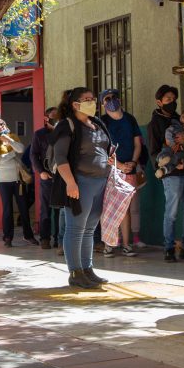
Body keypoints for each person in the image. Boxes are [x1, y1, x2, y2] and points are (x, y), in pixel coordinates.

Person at [52, 87, 112, 289]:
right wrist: (70, 182)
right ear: (74, 104)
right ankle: (75, 272)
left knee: (89, 229)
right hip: (81, 183)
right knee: (76, 228)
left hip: (101, 182)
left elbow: (105, 148)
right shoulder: (65, 125)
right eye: (87, 99)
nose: (92, 102)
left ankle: (87, 269)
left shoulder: (97, 123)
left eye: (93, 99)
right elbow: (60, 157)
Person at [149, 85, 184, 262]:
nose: (171, 102)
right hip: (170, 173)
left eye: (174, 99)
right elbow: (153, 151)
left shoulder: (179, 119)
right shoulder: (155, 123)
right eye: (167, 99)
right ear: (159, 102)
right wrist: (164, 169)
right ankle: (168, 248)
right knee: (172, 212)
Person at [99, 89, 142, 257]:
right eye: (107, 99)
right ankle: (108, 244)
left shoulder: (130, 119)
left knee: (125, 208)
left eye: (114, 97)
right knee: (108, 207)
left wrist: (132, 162)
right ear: (102, 104)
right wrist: (119, 165)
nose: (111, 101)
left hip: (129, 169)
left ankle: (126, 244)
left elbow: (137, 143)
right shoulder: (102, 122)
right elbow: (101, 148)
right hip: (109, 170)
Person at [0, 117, 34, 246]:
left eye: (2, 124)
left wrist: (8, 140)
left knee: (23, 208)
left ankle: (28, 235)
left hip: (18, 179)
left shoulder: (12, 136)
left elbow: (21, 149)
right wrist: (12, 154)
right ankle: (7, 237)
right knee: (7, 209)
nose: (0, 127)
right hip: (3, 180)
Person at [31, 107, 61, 249]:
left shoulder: (64, 133)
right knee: (46, 209)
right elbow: (33, 155)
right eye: (53, 116)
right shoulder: (39, 135)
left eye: (58, 116)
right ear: (46, 118)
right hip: (46, 176)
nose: (56, 119)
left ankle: (59, 239)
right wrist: (41, 172)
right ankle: (45, 238)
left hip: (62, 176)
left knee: (60, 210)